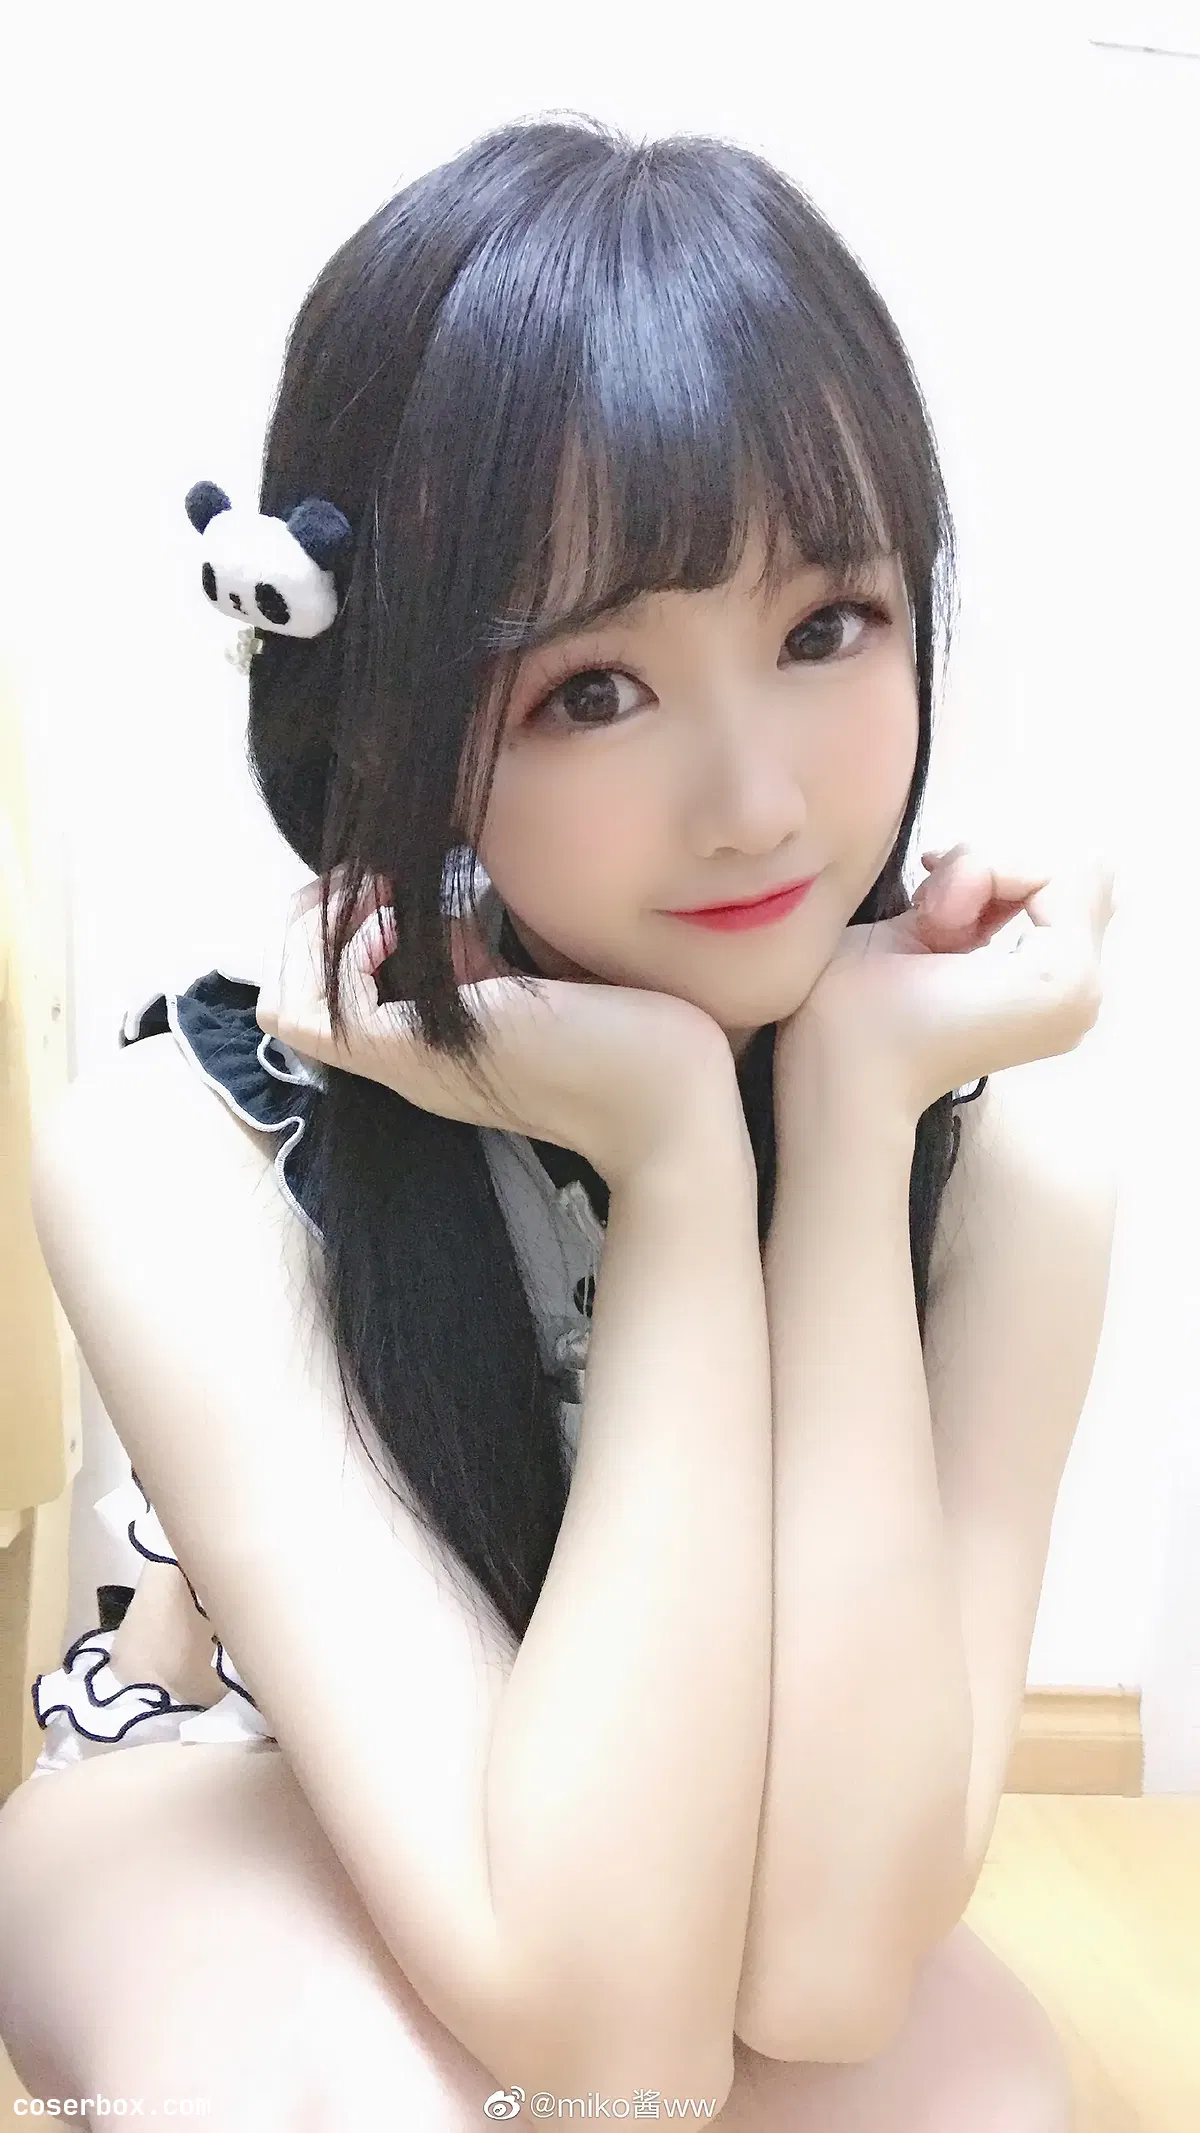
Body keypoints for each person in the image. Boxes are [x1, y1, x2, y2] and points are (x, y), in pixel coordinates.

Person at [0, 112, 1088, 2130]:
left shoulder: (998, 1168)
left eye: (826, 627)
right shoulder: (191, 1147)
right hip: (239, 1789)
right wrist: (672, 1159)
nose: (756, 803)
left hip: (690, 1855)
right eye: (591, 688)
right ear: (392, 712)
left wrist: (841, 1126)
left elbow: (825, 1963)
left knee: (977, 2098)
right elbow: (597, 2034)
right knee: (356, 2096)